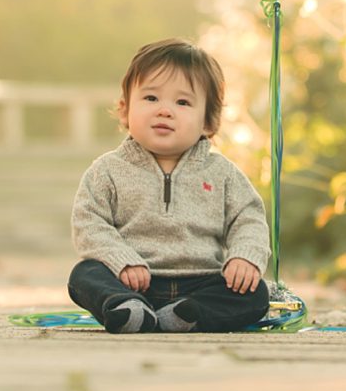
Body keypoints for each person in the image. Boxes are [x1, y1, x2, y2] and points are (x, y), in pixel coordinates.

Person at [67, 38, 272, 334]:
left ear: (208, 122)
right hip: (132, 281)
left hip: (201, 282)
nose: (165, 110)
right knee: (83, 275)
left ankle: (186, 315)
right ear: (125, 110)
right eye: (151, 99)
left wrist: (244, 256)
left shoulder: (222, 173)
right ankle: (128, 308)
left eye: (182, 102)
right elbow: (89, 222)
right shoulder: (107, 170)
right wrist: (123, 262)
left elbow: (248, 217)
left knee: (255, 293)